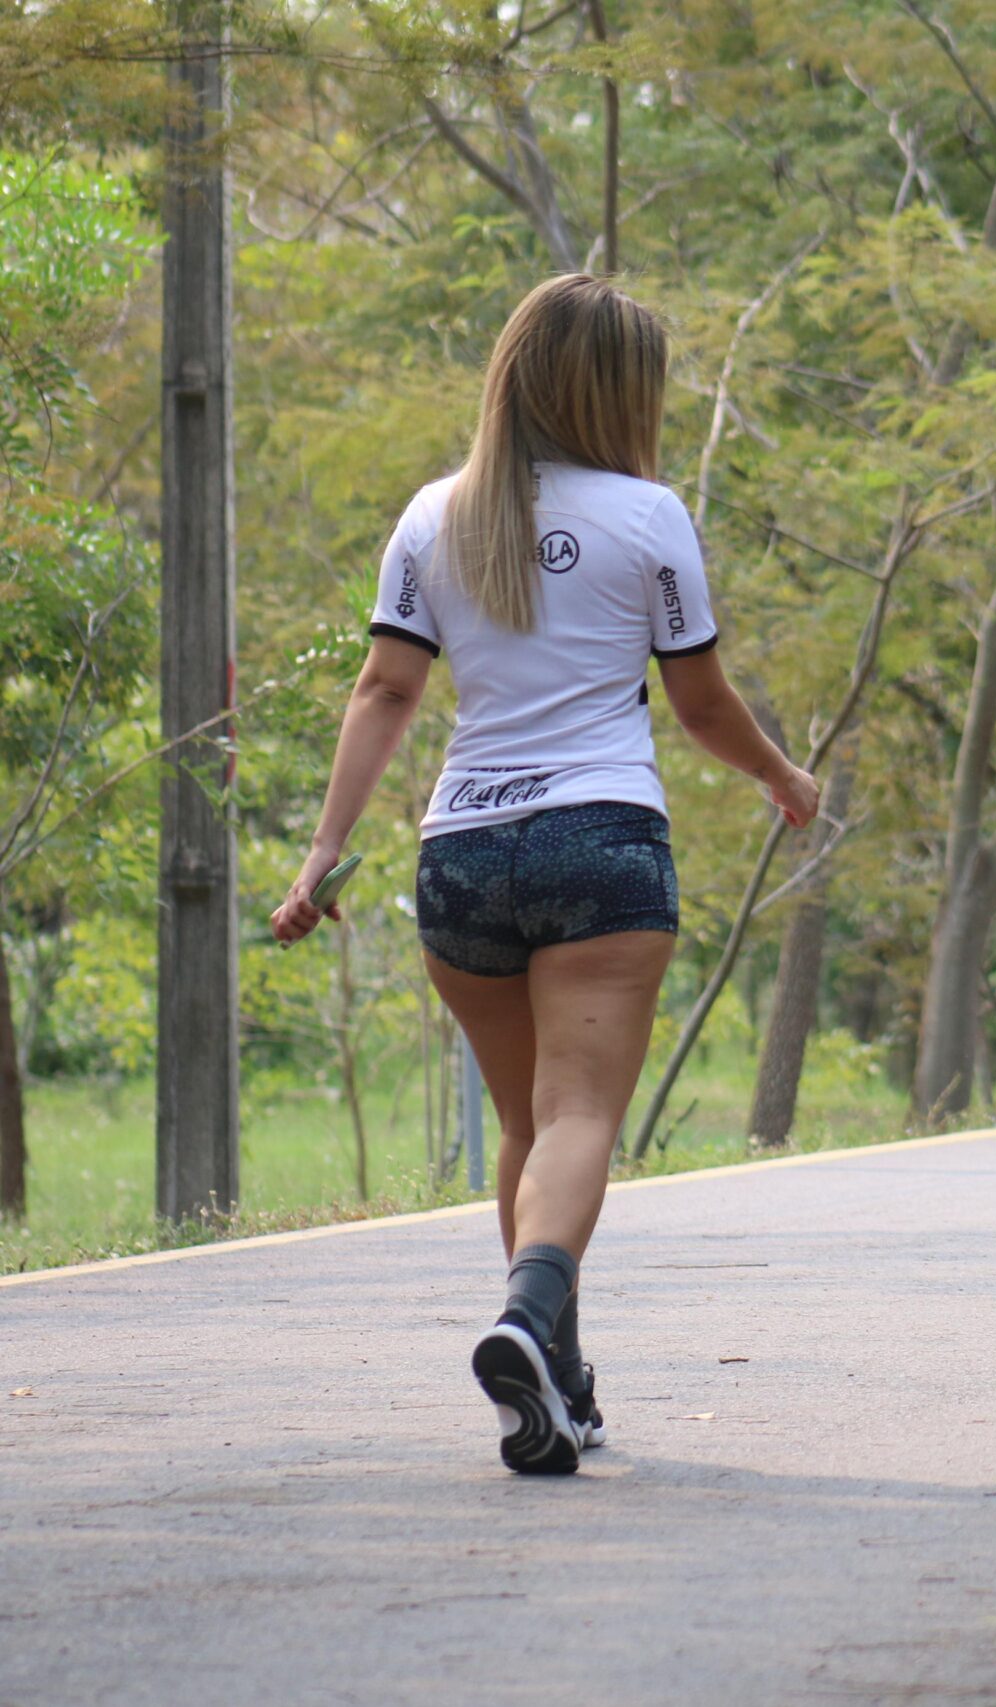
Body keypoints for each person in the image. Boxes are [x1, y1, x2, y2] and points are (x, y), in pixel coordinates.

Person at [270, 274, 819, 1475]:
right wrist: (784, 777)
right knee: (580, 1118)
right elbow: (701, 702)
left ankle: (556, 1380)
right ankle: (527, 1324)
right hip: (599, 843)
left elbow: (386, 689)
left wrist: (322, 853)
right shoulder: (648, 514)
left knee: (525, 1123)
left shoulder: (434, 517)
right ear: (618, 391)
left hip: (461, 851)